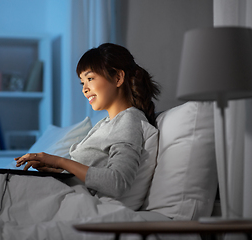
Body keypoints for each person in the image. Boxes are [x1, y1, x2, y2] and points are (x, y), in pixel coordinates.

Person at [15, 43, 160, 208]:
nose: (85, 89)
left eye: (90, 79)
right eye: (82, 82)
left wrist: (59, 161)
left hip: (70, 202)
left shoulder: (129, 121)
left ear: (118, 78)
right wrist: (56, 170)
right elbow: (90, 172)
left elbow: (117, 182)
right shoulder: (106, 123)